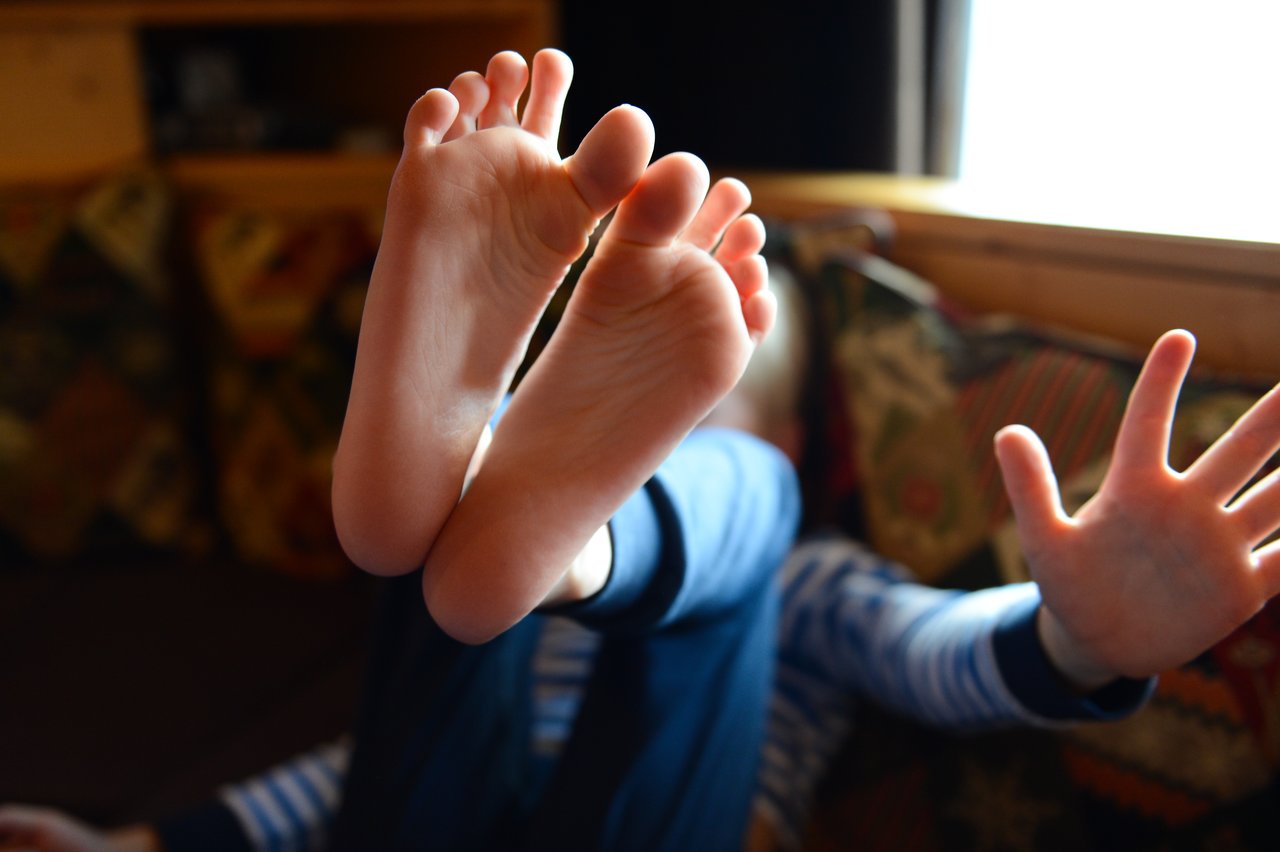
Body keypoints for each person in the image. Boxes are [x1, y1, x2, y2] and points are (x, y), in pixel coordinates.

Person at [4, 47, 1279, 852]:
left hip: (623, 795)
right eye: (635, 426)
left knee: (713, 518)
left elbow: (932, 656)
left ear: (786, 423)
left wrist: (1078, 644)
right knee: (453, 590)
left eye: (692, 417)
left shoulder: (796, 568)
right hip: (446, 791)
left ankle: (556, 534)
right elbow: (342, 778)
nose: (675, 442)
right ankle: (488, 497)